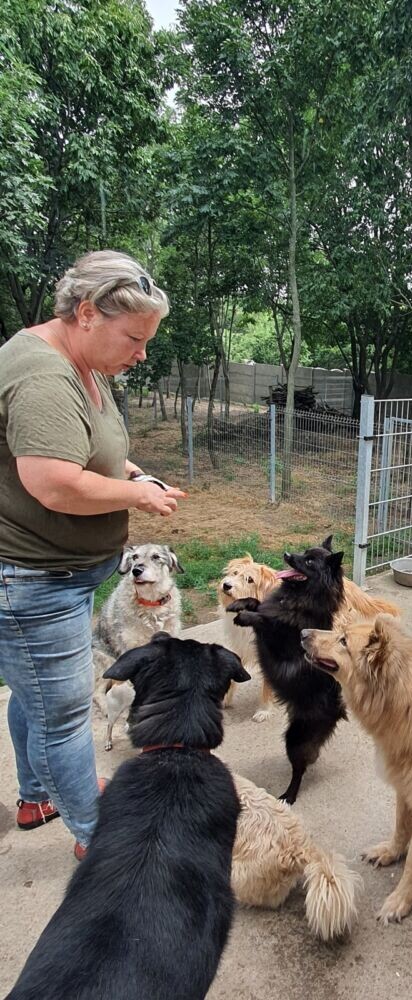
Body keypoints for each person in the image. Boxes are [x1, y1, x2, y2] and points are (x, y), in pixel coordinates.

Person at [0, 250, 186, 859]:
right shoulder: (43, 376)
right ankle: (96, 837)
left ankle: (38, 796)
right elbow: (54, 482)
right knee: (65, 716)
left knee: (35, 695)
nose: (141, 354)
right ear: (86, 314)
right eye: (134, 338)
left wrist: (132, 472)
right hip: (35, 579)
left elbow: (90, 447)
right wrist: (136, 496)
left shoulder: (83, 362)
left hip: (64, 575)